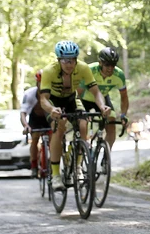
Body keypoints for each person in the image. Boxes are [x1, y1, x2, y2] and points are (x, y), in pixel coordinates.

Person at [39, 41, 111, 190]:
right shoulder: (49, 71)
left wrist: (102, 106)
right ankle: (56, 175)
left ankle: (77, 167)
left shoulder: (83, 68)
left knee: (83, 124)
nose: (69, 64)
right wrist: (52, 109)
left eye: (72, 60)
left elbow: (96, 92)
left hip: (72, 98)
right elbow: (43, 99)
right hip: (53, 100)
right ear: (59, 60)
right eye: (65, 60)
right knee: (59, 127)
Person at [77, 47, 129, 150]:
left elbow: (124, 97)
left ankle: (106, 158)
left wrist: (123, 115)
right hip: (84, 100)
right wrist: (79, 110)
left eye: (113, 65)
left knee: (111, 124)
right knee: (83, 124)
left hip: (103, 100)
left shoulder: (119, 75)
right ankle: (83, 150)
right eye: (107, 65)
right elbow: (78, 93)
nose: (110, 68)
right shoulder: (89, 70)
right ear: (100, 63)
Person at [20, 70, 49, 178]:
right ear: (37, 83)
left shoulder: (52, 93)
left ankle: (50, 162)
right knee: (35, 138)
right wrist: (26, 126)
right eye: (41, 83)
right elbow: (23, 113)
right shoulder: (29, 94)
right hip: (35, 119)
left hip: (48, 118)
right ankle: (34, 165)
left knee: (53, 137)